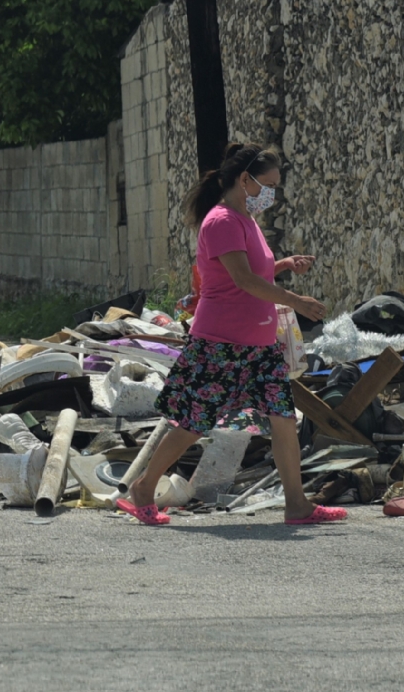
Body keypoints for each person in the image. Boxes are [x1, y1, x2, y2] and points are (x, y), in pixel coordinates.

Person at [117, 143, 346, 527]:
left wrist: (284, 264)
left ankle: (297, 505)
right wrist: (296, 301)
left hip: (258, 345)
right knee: (193, 422)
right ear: (244, 180)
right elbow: (241, 281)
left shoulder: (246, 220)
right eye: (268, 185)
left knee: (283, 419)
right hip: (221, 344)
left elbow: (254, 272)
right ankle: (143, 488)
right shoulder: (221, 221)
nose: (271, 194)